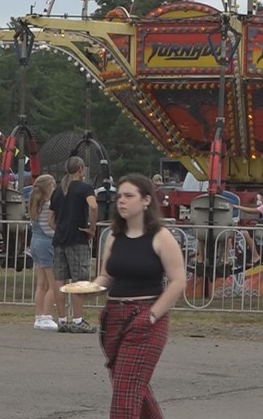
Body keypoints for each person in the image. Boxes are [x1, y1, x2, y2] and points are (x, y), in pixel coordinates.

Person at [91, 173, 186, 419]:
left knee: (126, 389)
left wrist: (152, 316)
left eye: (128, 196)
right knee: (132, 386)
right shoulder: (113, 235)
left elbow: (178, 282)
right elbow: (106, 277)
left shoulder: (161, 236)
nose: (121, 201)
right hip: (114, 316)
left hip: (145, 316)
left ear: (146, 200)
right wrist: (87, 289)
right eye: (118, 196)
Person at [49, 156, 99, 333]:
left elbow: (51, 220)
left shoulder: (58, 191)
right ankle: (77, 320)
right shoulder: (85, 188)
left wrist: (60, 228)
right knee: (80, 280)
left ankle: (62, 319)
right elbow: (93, 207)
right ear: (80, 169)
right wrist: (91, 228)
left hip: (60, 239)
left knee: (59, 279)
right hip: (77, 238)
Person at [28, 174, 62, 331]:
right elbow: (50, 229)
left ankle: (38, 315)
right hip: (46, 243)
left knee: (41, 283)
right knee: (53, 282)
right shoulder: (49, 204)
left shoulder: (35, 204)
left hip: (35, 241)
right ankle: (47, 315)